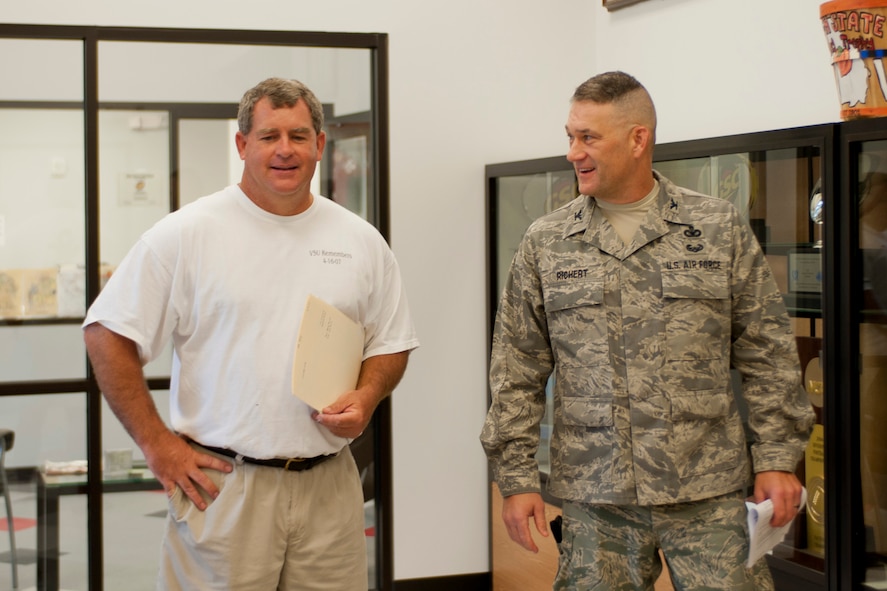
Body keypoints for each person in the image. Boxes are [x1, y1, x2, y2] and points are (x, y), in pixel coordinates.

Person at [480, 71, 815, 590]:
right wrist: (517, 478)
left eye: (588, 137)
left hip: (706, 490)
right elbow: (516, 366)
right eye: (570, 136)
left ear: (639, 139)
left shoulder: (716, 227)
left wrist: (776, 457)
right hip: (596, 498)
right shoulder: (546, 241)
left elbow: (767, 352)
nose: (573, 152)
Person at [83, 77, 419, 591]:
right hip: (224, 488)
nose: (285, 150)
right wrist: (156, 444)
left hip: (330, 485)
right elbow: (106, 333)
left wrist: (369, 393)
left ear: (320, 146)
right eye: (269, 136)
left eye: (299, 136)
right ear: (242, 145)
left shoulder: (360, 240)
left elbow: (390, 342)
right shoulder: (186, 234)